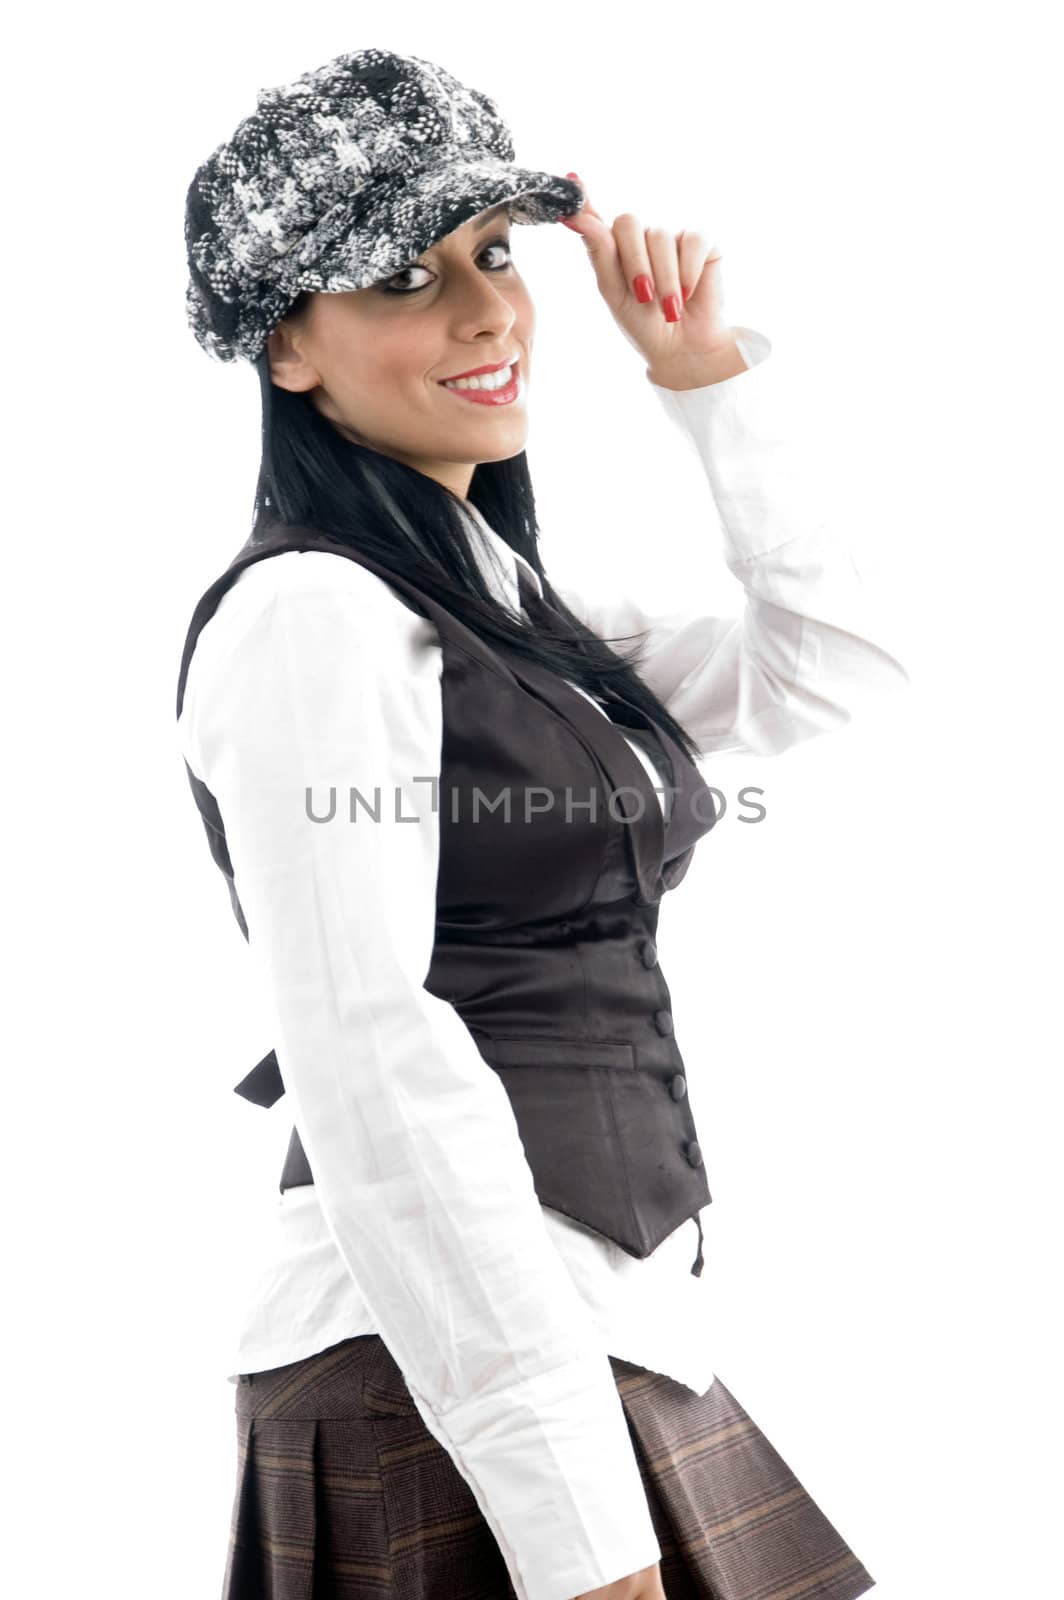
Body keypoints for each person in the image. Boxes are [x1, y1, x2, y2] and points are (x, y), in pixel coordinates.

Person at [177, 45, 907, 1600]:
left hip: (586, 1330)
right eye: (404, 276)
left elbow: (832, 666)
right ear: (287, 347)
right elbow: (374, 1057)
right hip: (441, 1361)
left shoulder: (501, 605)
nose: (491, 310)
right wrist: (576, 1530)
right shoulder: (311, 619)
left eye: (496, 254)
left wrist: (706, 381)